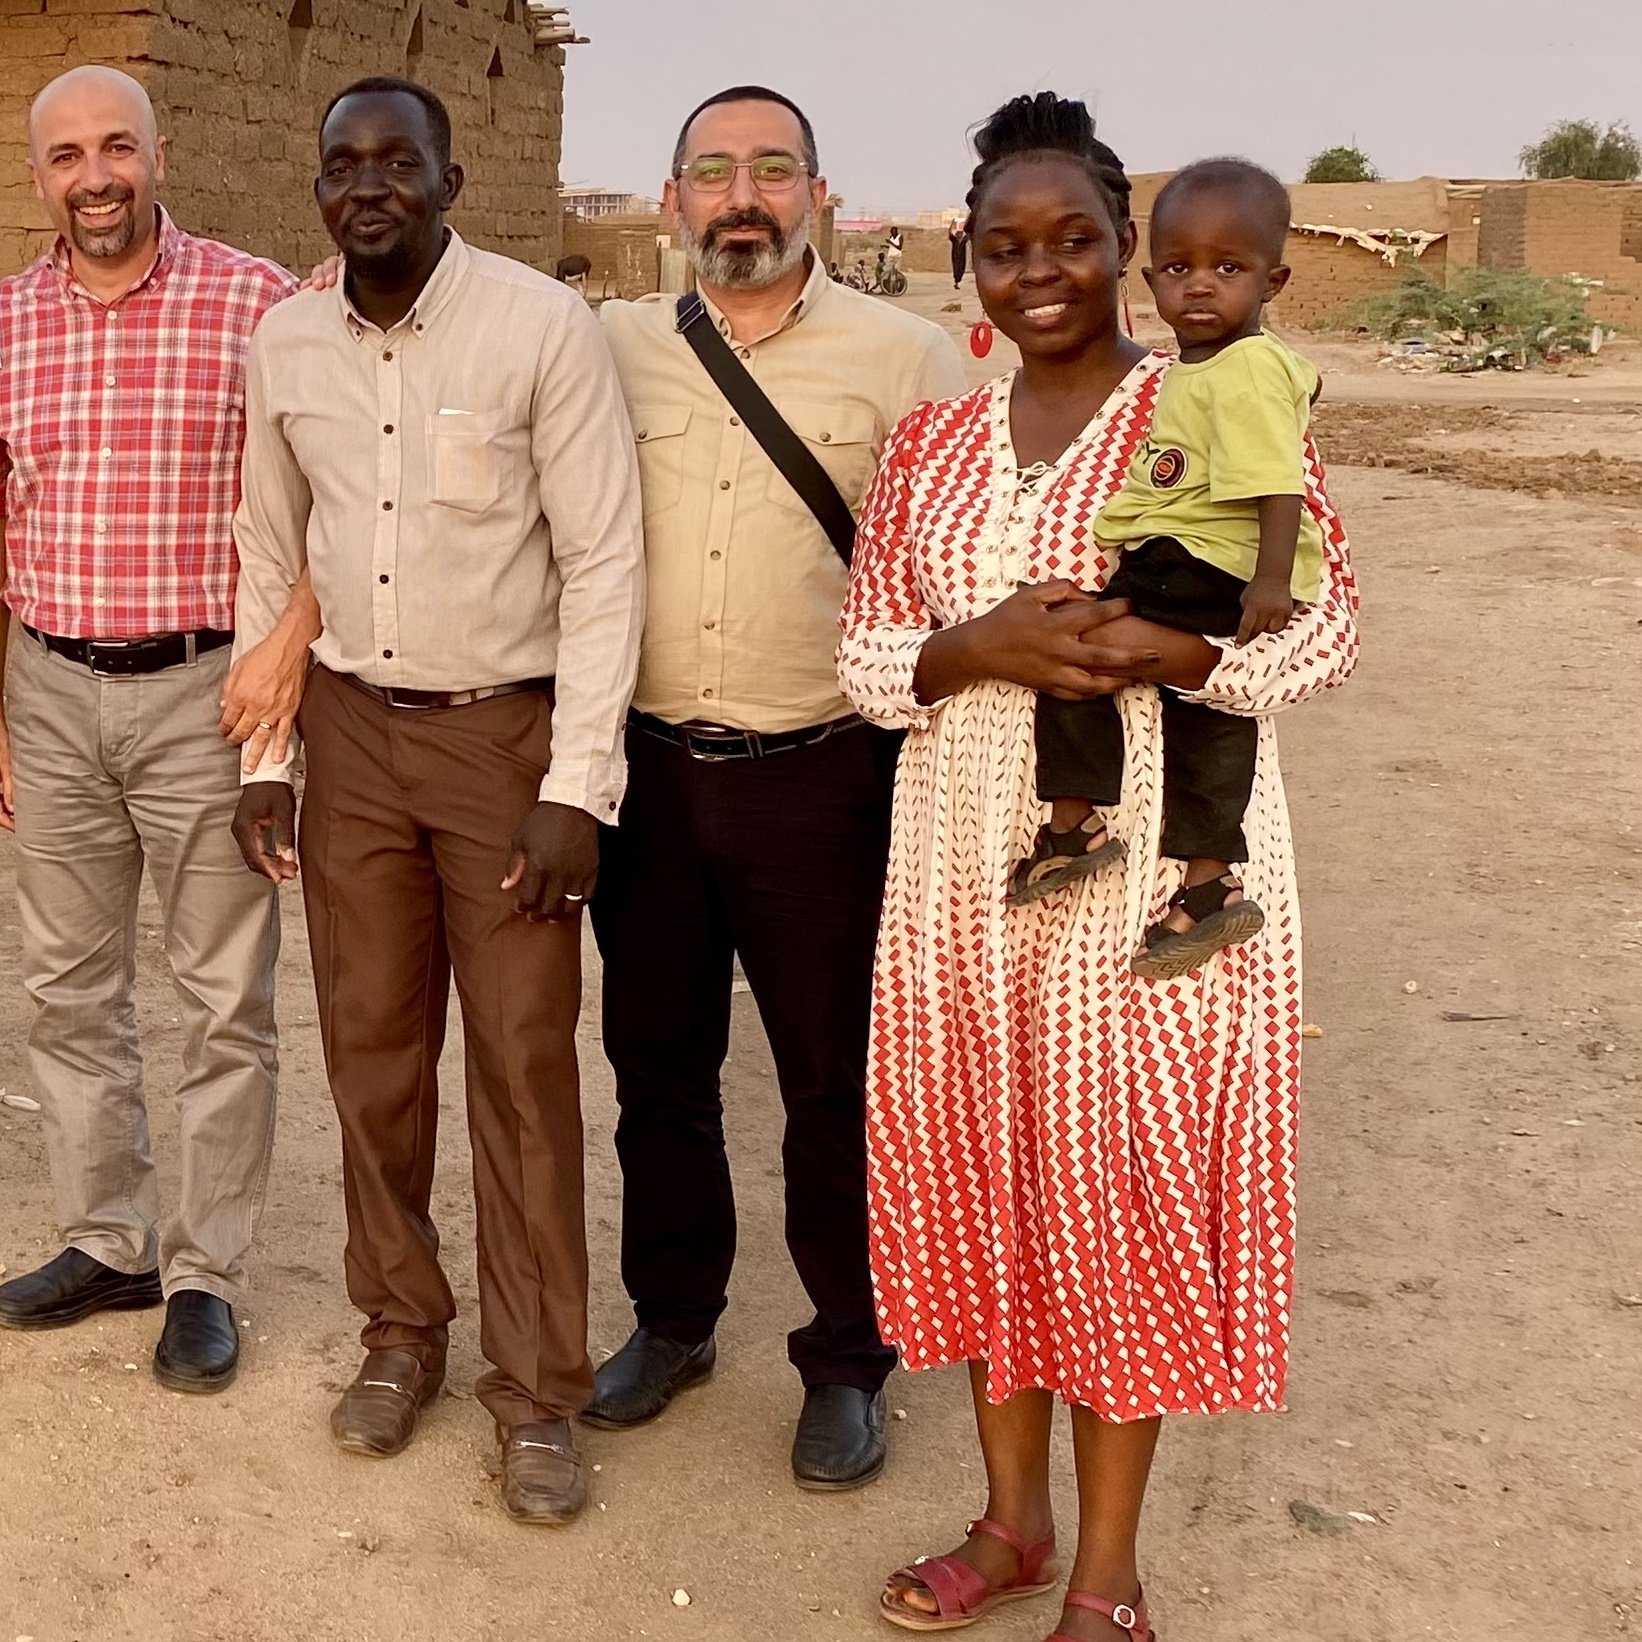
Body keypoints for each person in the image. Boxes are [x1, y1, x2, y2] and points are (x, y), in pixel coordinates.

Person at [838, 94, 1357, 1640]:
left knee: (1110, 1189)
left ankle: (1107, 1581)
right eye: (1005, 245)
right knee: (992, 1174)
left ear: (1124, 247)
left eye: (1072, 239)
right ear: (965, 260)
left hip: (1148, 879)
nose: (1039, 270)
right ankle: (1006, 1525)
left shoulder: (1215, 405)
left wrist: (1175, 647)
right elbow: (864, 662)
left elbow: (1322, 627)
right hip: (956, 870)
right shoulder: (928, 449)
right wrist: (969, 646)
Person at [228, 76, 644, 1525]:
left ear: (452, 179)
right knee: (372, 1057)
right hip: (347, 738)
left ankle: (537, 1392)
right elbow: (270, 557)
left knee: (525, 1071)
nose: (369, 185)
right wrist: (267, 762)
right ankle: (400, 1330)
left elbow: (602, 569)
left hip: (503, 746)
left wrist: (576, 785)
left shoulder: (541, 328)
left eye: (398, 160)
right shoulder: (284, 340)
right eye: (342, 164)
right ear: (319, 190)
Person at [587, 85, 967, 1491]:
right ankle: (674, 1320)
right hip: (647, 775)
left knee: (829, 1085)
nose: (739, 195)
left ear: (817, 190)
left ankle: (847, 1355)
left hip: (821, 776)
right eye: (711, 172)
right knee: (657, 1071)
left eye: (769, 169)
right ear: (673, 195)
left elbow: (960, 563)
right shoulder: (609, 343)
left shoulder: (907, 357)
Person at [0, 66, 317, 1393]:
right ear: (39, 177)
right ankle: (107, 1237)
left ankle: (205, 1269)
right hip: (50, 691)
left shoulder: (257, 304)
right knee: (67, 993)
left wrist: (289, 641)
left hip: (207, 694)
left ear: (160, 151)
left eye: (116, 146)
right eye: (67, 154)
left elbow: (347, 493)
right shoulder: (7, 323)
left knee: (218, 1003)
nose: (96, 176)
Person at [1007, 158, 1324, 982]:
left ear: (1273, 279)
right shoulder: (1205, 368)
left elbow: (1275, 482)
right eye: (1181, 270)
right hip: (1206, 560)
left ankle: (1077, 825)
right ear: (1149, 276)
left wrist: (1269, 583)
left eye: (1228, 269)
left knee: (1072, 647)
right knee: (1210, 722)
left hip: (1207, 564)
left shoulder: (1248, 369)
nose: (1200, 288)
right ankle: (1209, 883)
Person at [948, 216, 968, 288]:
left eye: (961, 233)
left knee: (962, 268)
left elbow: (969, 233)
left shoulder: (963, 241)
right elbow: (950, 233)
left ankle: (958, 281)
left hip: (962, 257)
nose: (960, 235)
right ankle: (956, 282)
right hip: (956, 256)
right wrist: (952, 224)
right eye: (959, 233)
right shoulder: (954, 241)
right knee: (956, 268)